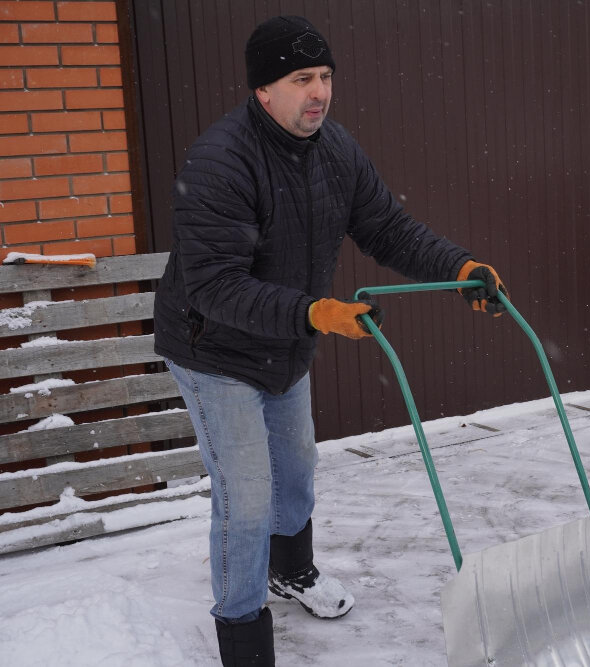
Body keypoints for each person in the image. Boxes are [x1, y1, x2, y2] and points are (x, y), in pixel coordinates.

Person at [153, 15, 507, 666]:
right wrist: (314, 312)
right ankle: (243, 636)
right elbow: (214, 286)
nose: (318, 92)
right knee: (247, 497)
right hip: (214, 349)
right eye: (300, 79)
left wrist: (458, 268)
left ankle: (291, 573)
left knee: (296, 473)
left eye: (324, 77)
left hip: (285, 342)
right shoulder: (221, 160)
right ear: (264, 91)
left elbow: (388, 228)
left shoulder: (336, 151)